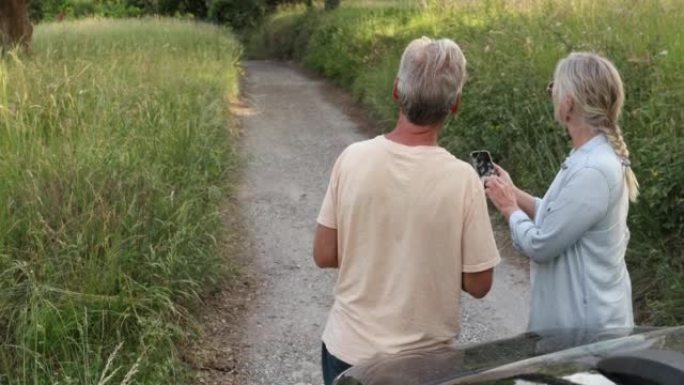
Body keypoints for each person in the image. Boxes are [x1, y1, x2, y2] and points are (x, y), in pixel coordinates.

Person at [313, 36, 501, 385]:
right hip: (426, 366)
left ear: (397, 91)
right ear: (455, 104)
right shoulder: (462, 180)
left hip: (348, 354)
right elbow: (479, 283)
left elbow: (324, 253)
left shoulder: (352, 159)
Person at [485, 52, 637, 332]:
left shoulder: (593, 169)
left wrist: (509, 209)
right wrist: (515, 193)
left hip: (586, 332)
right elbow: (562, 217)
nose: (551, 96)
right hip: (587, 319)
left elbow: (541, 245)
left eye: (553, 89)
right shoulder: (589, 157)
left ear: (568, 104)